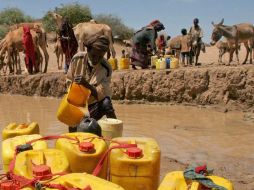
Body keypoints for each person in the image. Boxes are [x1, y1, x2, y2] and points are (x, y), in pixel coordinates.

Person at [66, 34, 117, 132]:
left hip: (94, 104)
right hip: (77, 104)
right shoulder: (77, 59)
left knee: (106, 103)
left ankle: (115, 132)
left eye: (100, 57)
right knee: (74, 130)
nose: (96, 59)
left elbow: (102, 94)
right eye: (93, 55)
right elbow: (68, 82)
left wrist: (87, 85)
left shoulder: (106, 68)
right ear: (88, 50)